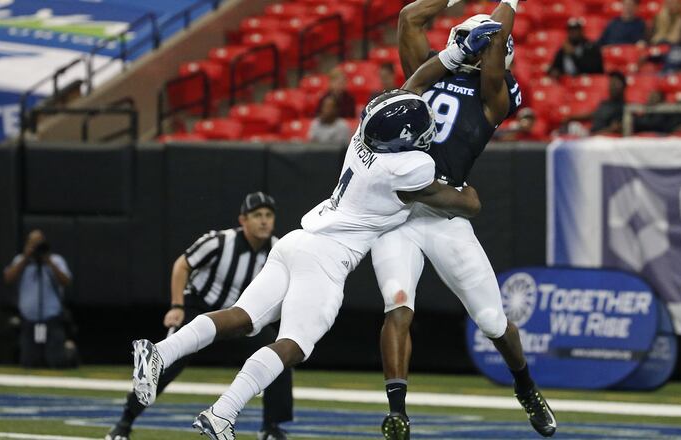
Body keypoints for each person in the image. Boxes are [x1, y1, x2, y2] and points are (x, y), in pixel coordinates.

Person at [129, 26, 497, 438]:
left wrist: (454, 54)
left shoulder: (365, 133)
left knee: (244, 318)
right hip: (327, 259)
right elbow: (470, 205)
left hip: (298, 240)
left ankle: (159, 351)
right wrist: (464, 185)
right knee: (295, 344)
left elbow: (412, 86)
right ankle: (221, 414)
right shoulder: (411, 168)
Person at [381, 0, 556, 438]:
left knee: (493, 321)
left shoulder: (495, 93)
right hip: (397, 214)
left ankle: (526, 387)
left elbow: (494, 51)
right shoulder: (430, 69)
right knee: (398, 305)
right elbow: (409, 18)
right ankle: (397, 411)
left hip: (445, 215)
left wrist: (507, 5)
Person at [106, 192, 293, 440]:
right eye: (257, 215)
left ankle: (271, 427)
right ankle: (124, 423)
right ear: (242, 220)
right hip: (200, 308)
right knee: (166, 364)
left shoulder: (277, 250)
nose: (264, 221)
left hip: (240, 319)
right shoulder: (219, 242)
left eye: (268, 215)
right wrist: (177, 306)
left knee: (278, 353)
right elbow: (182, 265)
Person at [3, 230, 72, 368]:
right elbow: (8, 278)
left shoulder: (55, 260)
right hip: (29, 320)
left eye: (39, 243)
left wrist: (48, 262)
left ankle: (70, 351)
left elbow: (66, 281)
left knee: (56, 362)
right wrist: (26, 257)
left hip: (51, 319)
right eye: (33, 243)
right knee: (29, 361)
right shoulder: (20, 261)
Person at [565, 71, 628, 135]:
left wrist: (592, 136)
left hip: (602, 139)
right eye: (611, 83)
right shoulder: (605, 103)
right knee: (571, 127)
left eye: (615, 84)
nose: (612, 87)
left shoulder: (623, 108)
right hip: (591, 135)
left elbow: (614, 129)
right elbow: (593, 114)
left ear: (623, 87)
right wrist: (570, 118)